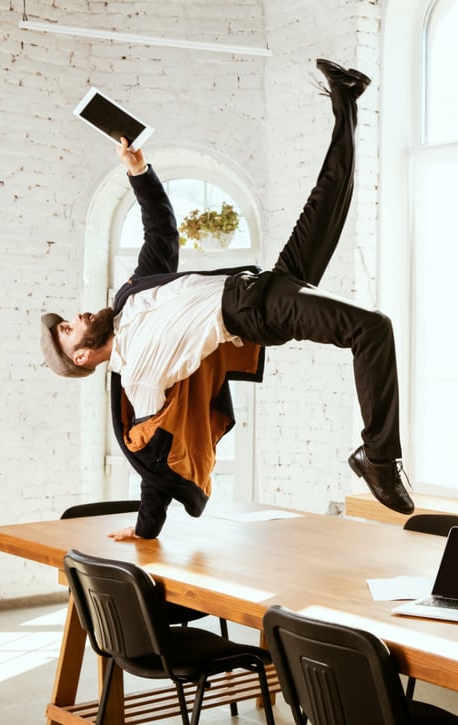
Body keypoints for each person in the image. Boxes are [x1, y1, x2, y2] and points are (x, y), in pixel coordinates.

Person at [40, 58, 414, 540]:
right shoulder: (138, 380)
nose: (77, 317)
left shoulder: (131, 296)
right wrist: (146, 528)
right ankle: (379, 459)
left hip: (263, 284)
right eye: (69, 331)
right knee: (372, 327)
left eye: (67, 320)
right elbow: (154, 458)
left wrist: (140, 172)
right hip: (252, 312)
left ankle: (345, 99)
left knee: (330, 198)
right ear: (84, 357)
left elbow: (161, 233)